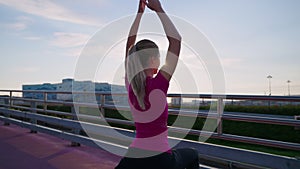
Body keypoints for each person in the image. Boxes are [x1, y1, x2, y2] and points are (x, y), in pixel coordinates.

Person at [115, 0, 199, 169]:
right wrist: (159, 9)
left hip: (135, 157)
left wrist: (139, 14)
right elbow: (176, 41)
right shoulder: (159, 83)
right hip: (160, 159)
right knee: (192, 155)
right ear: (153, 60)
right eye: (159, 57)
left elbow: (129, 46)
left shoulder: (131, 84)